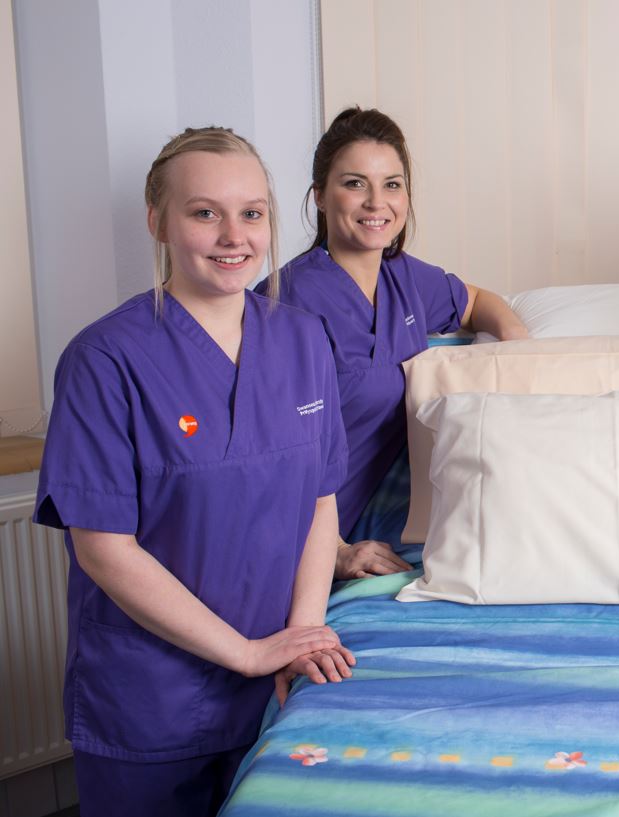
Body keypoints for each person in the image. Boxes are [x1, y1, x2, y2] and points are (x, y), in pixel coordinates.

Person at [34, 127, 355, 817]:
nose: (232, 234)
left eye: (252, 211)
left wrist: (296, 642)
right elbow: (103, 548)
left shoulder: (301, 339)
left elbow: (320, 499)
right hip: (151, 700)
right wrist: (246, 652)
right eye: (204, 211)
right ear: (158, 221)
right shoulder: (103, 359)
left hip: (273, 683)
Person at [269, 107, 529, 579]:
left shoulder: (403, 278)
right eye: (354, 183)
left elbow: (477, 302)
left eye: (392, 184)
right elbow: (268, 458)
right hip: (286, 538)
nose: (376, 202)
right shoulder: (286, 305)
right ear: (320, 198)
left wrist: (515, 349)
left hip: (360, 519)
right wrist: (337, 553)